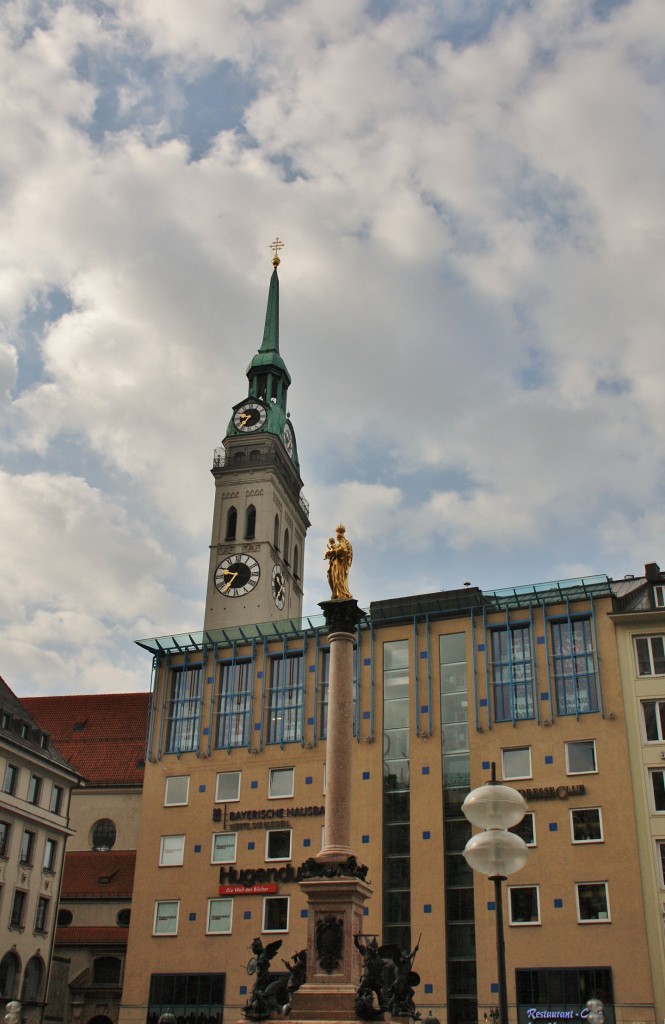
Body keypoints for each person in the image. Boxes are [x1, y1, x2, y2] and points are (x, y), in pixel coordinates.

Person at [324, 524, 353, 599]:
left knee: (337, 579)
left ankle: (340, 593)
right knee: (332, 579)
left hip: (339, 565)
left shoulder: (343, 541)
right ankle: (336, 593)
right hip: (334, 564)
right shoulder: (340, 543)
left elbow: (344, 550)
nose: (337, 536)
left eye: (338, 534)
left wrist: (332, 552)